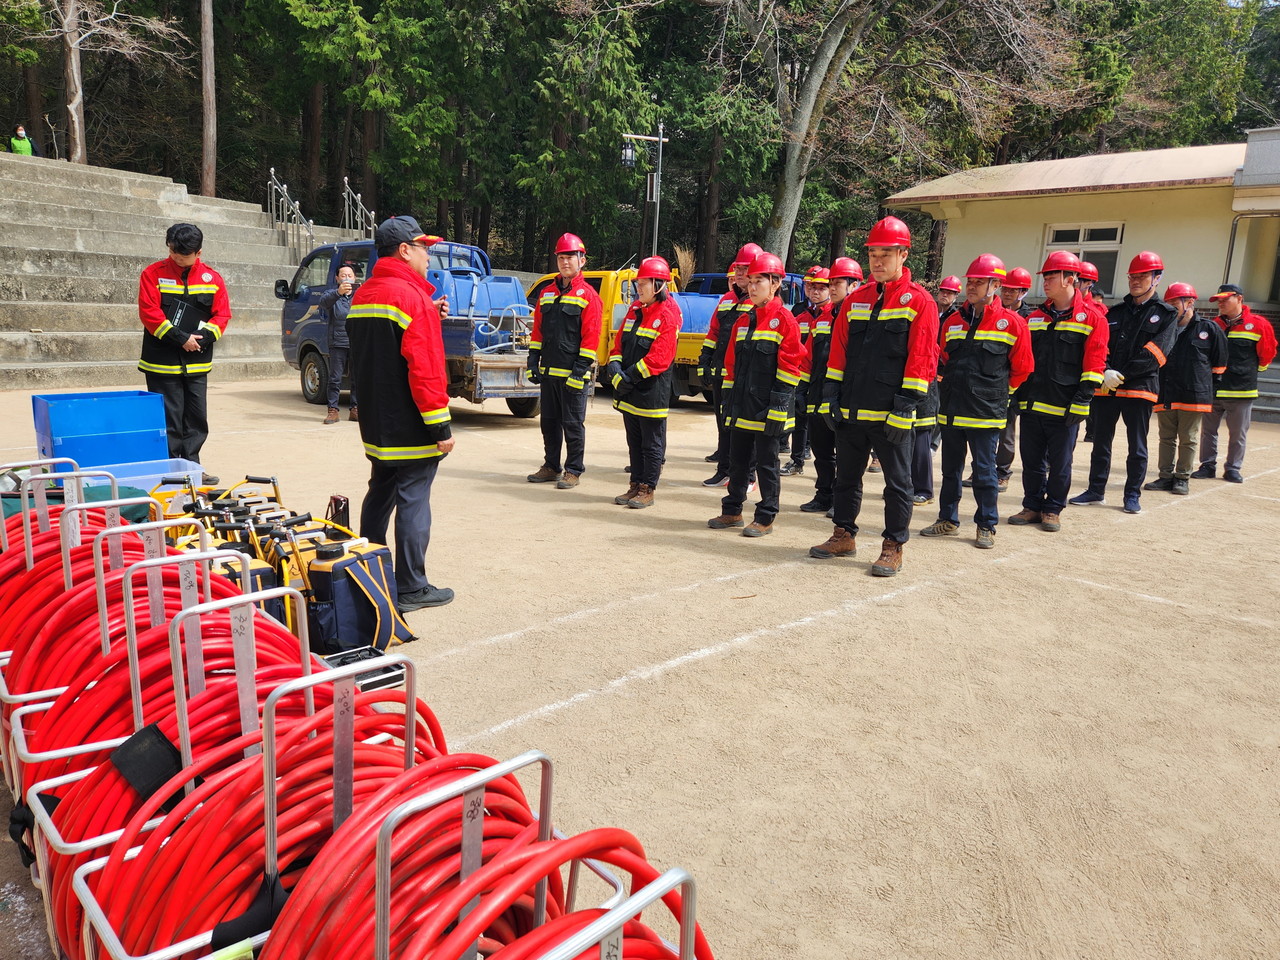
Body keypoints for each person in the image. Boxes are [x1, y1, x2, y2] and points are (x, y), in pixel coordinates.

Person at [810, 216, 940, 576]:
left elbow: (922, 359)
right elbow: (838, 353)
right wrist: (831, 396)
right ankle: (843, 535)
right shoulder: (857, 300)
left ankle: (893, 545)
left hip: (890, 414)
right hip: (852, 411)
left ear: (903, 254)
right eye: (872, 254)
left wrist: (905, 407)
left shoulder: (920, 302)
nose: (878, 261)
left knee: (897, 484)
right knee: (846, 479)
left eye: (886, 254)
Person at [347, 215, 455, 612]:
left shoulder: (364, 294)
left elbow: (381, 348)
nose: (429, 257)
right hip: (411, 423)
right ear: (405, 250)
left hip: (376, 420)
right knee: (413, 501)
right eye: (425, 248)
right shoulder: (412, 299)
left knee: (380, 491)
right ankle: (411, 586)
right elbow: (425, 369)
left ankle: (369, 571)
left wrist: (429, 311)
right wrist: (441, 426)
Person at [920, 254, 1033, 549]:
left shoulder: (1012, 324)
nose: (971, 286)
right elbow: (944, 357)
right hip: (952, 410)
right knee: (950, 471)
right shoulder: (952, 322)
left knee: (984, 472)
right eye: (970, 281)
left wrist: (998, 394)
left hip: (986, 413)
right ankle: (948, 519)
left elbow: (1023, 368)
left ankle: (986, 525)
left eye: (979, 282)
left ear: (995, 285)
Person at [1069, 251, 1176, 514]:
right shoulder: (1114, 312)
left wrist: (1120, 375)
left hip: (1139, 390)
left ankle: (1132, 495)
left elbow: (1156, 353)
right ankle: (1096, 490)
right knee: (1100, 443)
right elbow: (1099, 344)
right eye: (1132, 276)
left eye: (1142, 276)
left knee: (1136, 446)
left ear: (1157, 278)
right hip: (1107, 388)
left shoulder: (1166, 314)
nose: (1135, 281)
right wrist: (1105, 370)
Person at [1008, 251, 1108, 532]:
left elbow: (1095, 364)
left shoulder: (1092, 318)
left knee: (1061, 463)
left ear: (1070, 279)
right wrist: (1016, 395)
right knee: (1031, 460)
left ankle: (1053, 509)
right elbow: (1023, 360)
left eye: (1052, 277)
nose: (1046, 282)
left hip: (1065, 407)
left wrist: (1082, 400)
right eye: (1046, 277)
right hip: (1032, 404)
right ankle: (1031, 506)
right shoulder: (1035, 317)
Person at [707, 251, 804, 537]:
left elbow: (790, 367)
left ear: (775, 283)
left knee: (767, 464)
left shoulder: (785, 320)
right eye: (749, 281)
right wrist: (728, 402)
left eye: (758, 281)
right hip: (742, 406)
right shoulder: (743, 320)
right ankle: (732, 511)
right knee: (738, 461)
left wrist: (778, 407)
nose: (751, 287)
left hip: (768, 409)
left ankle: (765, 516)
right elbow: (731, 365)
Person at [136, 222, 230, 484]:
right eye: (173, 252)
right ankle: (171, 470)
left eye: (183, 256)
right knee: (169, 421)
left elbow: (222, 314)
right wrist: (181, 339)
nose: (176, 258)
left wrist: (203, 337)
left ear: (198, 253)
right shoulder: (152, 274)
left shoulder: (213, 279)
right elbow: (149, 313)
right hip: (161, 363)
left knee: (196, 420)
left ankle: (193, 468)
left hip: (197, 362)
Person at [526, 233, 603, 489]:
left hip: (573, 375)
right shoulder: (547, 293)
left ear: (582, 260)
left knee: (572, 424)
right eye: (561, 257)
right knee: (548, 423)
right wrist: (532, 361)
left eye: (570, 257)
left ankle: (573, 470)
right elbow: (537, 331)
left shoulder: (589, 295)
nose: (565, 261)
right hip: (549, 372)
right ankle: (551, 466)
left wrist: (579, 371)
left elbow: (591, 338)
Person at [606, 256, 682, 509]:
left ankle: (648, 488)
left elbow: (660, 357)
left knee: (651, 444)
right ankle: (635, 484)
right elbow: (619, 343)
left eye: (643, 284)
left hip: (652, 390)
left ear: (659, 285)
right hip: (630, 390)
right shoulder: (635, 310)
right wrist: (615, 368)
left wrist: (628, 377)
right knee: (635, 442)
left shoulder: (668, 314)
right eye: (637, 283)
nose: (638, 288)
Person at [1145, 283, 1226, 496]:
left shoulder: (1209, 329)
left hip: (1194, 394)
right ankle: (1165, 477)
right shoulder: (1163, 328)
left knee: (1188, 437)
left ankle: (1182, 478)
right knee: (1166, 437)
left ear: (1190, 303)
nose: (1171, 309)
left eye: (1175, 304)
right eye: (1168, 304)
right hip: (1166, 391)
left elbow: (1219, 365)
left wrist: (1207, 390)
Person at [1192, 283, 1278, 483]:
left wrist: (1248, 373)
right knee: (1207, 432)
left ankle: (1233, 468)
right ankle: (1207, 465)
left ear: (1239, 298)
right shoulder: (1214, 324)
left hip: (1242, 391)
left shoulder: (1259, 324)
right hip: (1214, 389)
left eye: (1225, 299)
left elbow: (1267, 353)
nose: (1220, 303)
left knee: (1238, 434)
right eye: (1218, 300)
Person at [800, 256, 862, 516]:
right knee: (821, 450)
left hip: (846, 396)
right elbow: (808, 357)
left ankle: (841, 500)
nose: (832, 288)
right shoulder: (822, 319)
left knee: (847, 454)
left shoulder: (860, 319)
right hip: (818, 393)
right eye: (831, 283)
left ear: (854, 285)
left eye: (837, 283)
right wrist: (801, 390)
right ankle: (823, 494)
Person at [699, 243, 759, 485]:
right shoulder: (726, 299)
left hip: (745, 377)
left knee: (745, 428)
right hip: (721, 374)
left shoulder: (759, 302)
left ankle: (748, 476)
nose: (740, 273)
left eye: (746, 269)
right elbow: (714, 332)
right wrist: (704, 360)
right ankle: (724, 470)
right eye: (738, 268)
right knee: (723, 424)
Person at [780, 265, 830, 477]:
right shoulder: (801, 317)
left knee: (825, 427)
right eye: (813, 287)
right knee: (800, 420)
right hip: (803, 377)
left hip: (827, 379)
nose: (816, 291)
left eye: (822, 288)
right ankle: (797, 460)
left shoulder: (835, 316)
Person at [992, 265, 1034, 491]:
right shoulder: (993, 312)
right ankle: (983, 469)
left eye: (1013, 290)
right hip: (993, 381)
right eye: (1005, 289)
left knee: (1007, 432)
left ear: (1024, 292)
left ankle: (1002, 472)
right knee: (986, 430)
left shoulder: (1031, 318)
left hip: (1016, 384)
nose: (1007, 293)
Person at [321, 263, 359, 424]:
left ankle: (355, 409)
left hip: (357, 342)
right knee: (335, 378)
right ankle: (333, 410)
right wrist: (338, 293)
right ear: (337, 278)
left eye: (350, 275)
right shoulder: (331, 294)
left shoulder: (360, 295)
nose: (347, 279)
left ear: (355, 278)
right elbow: (324, 303)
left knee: (357, 378)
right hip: (337, 342)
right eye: (343, 276)